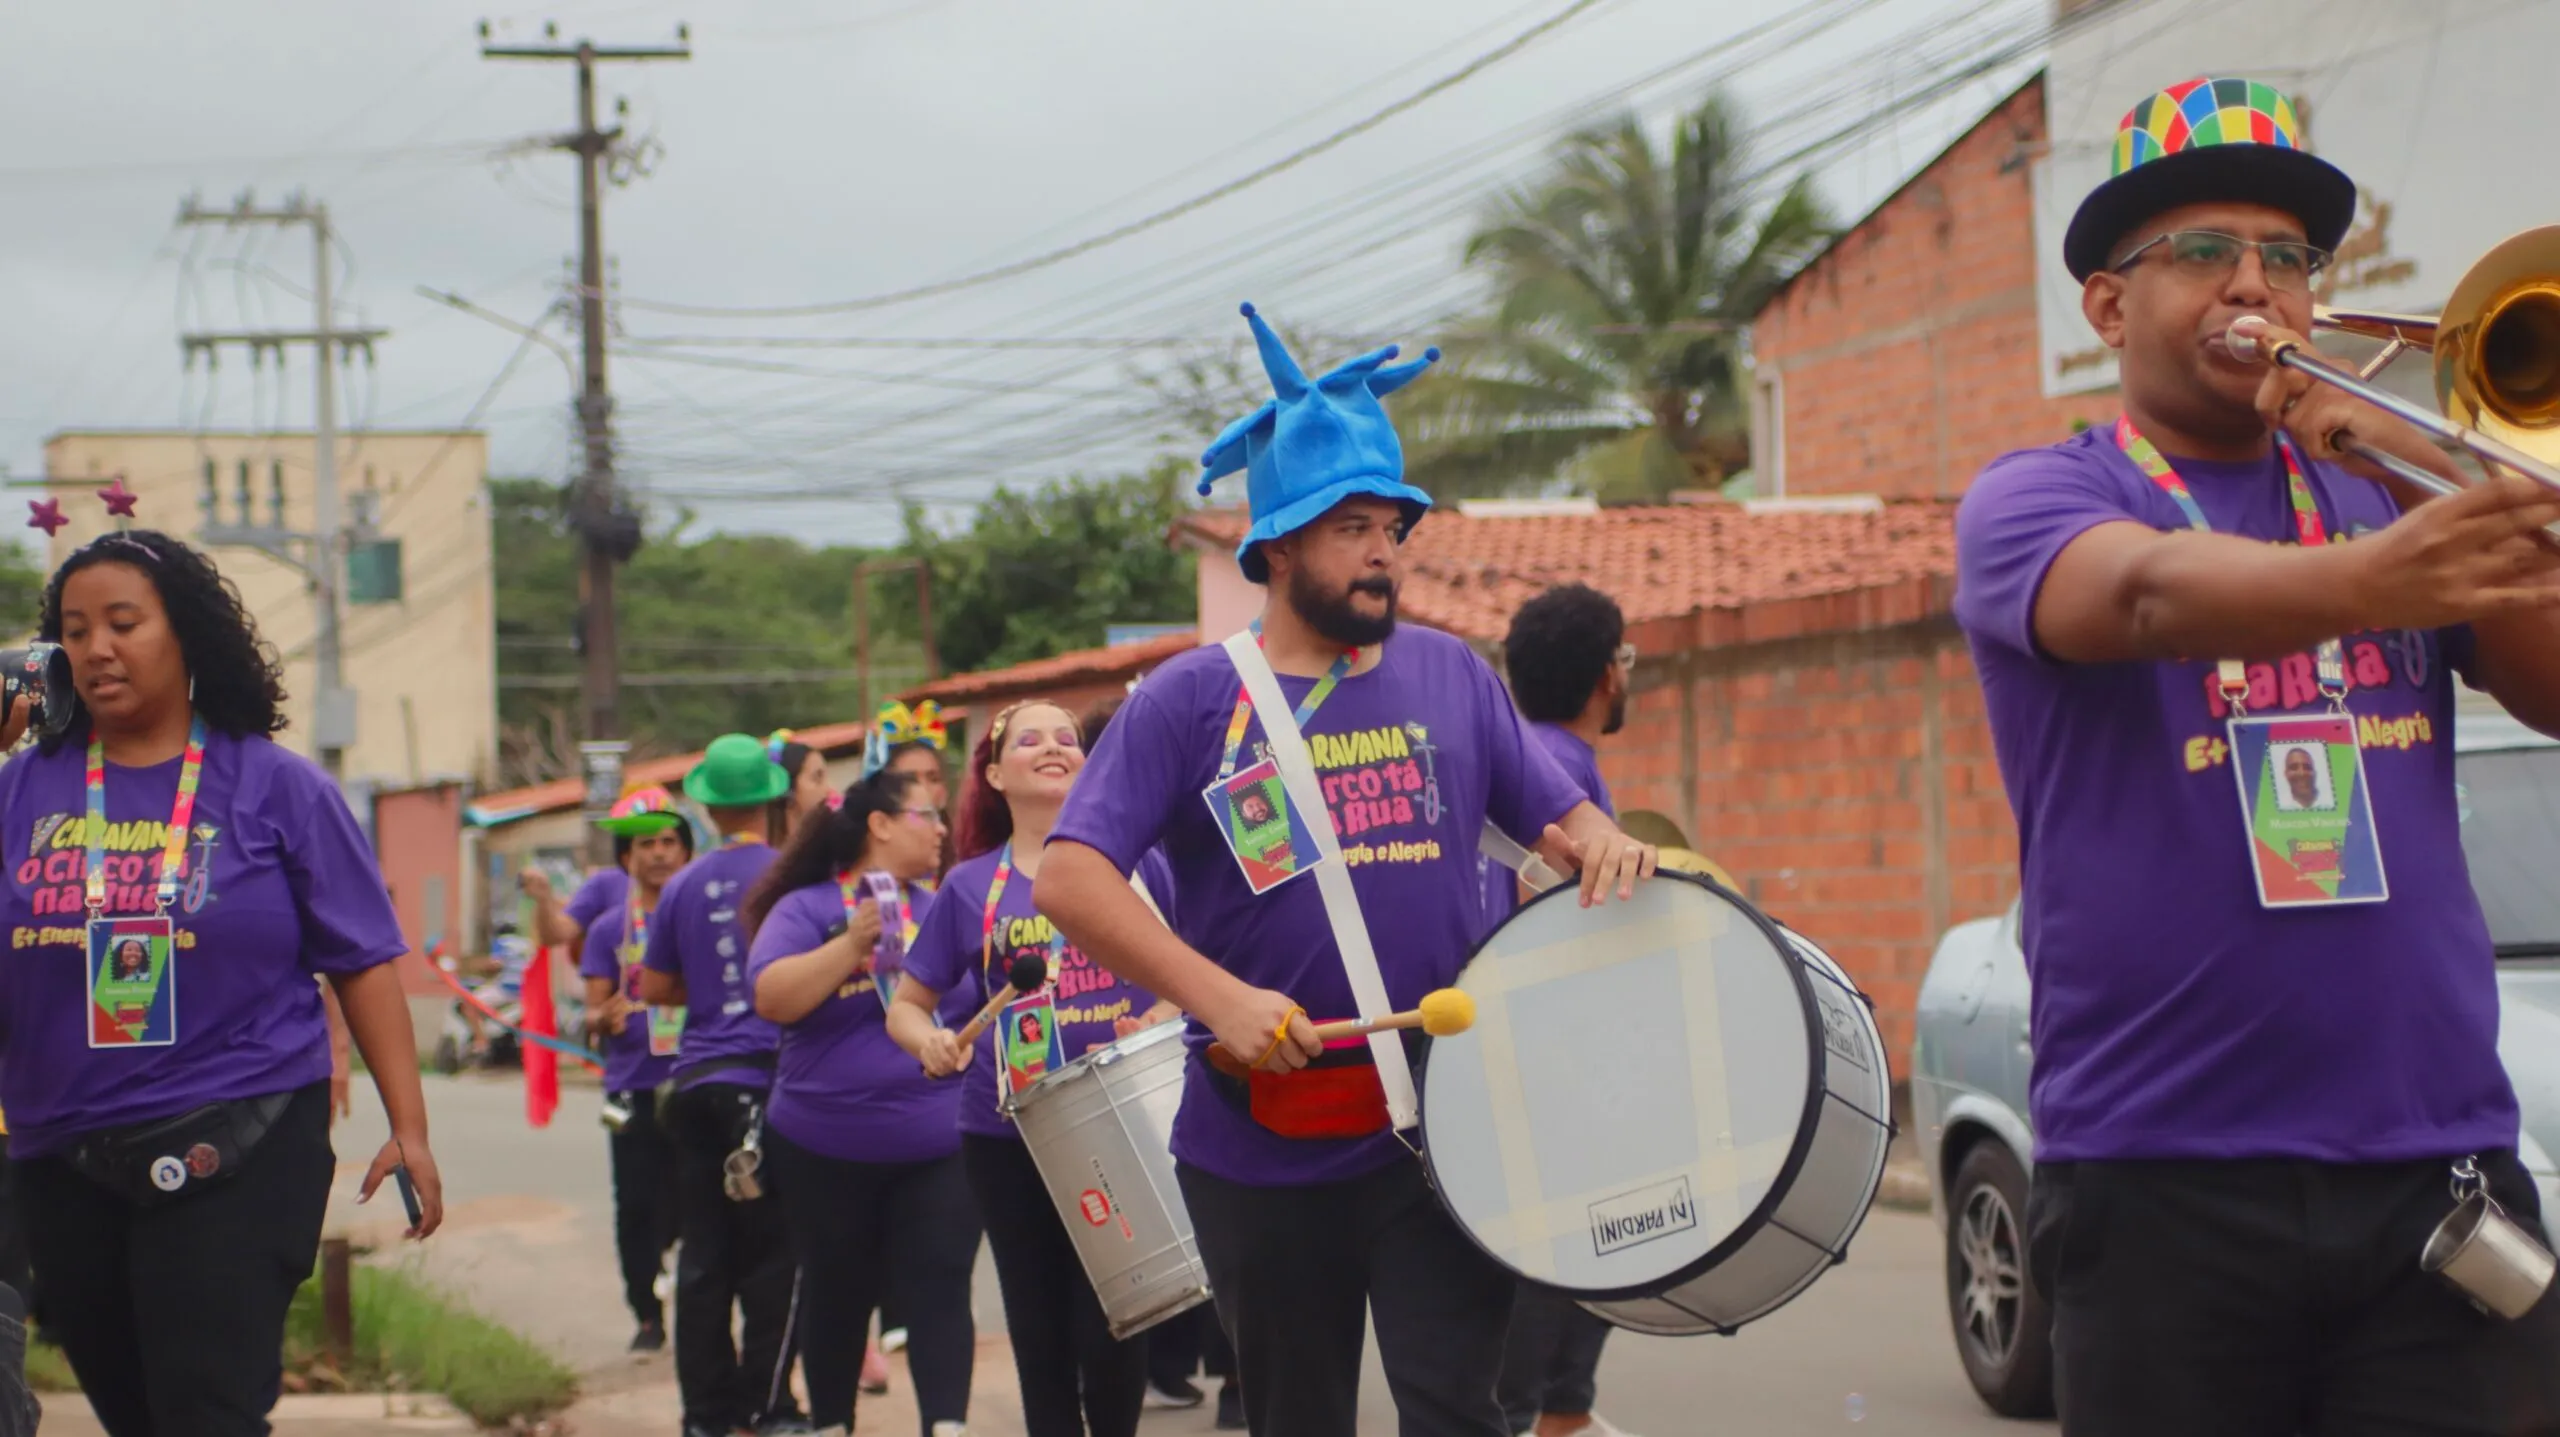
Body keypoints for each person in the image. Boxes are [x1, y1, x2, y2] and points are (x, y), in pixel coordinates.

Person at [1957, 76, 2560, 1436]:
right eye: (2205, 252)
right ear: (2110, 304)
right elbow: (2147, 597)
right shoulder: (2039, 495)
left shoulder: (2384, 494)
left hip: (2435, 1174)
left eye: (2288, 258)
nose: (2258, 286)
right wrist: (2374, 578)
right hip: (2163, 1182)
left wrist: (2424, 461)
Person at [1037, 305, 1655, 1437]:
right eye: (1348, 527)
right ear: (1273, 548)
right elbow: (1069, 879)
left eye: (1392, 526)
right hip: (1255, 1144)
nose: (1381, 550)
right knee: (1293, 1420)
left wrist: (1603, 846)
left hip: (1437, 1135)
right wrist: (1214, 997)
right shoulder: (1187, 700)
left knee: (1463, 1416)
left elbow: (1559, 822)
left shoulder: (1453, 677)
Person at [0, 524, 442, 1434]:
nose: (98, 649)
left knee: (207, 1409)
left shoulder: (277, 786)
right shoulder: (20, 789)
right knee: (132, 1412)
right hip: (60, 1148)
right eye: (76, 631)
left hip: (239, 1131)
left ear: (187, 634)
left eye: (125, 622)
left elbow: (360, 959)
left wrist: (410, 1127)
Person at [890, 701, 1177, 1437]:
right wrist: (929, 1041)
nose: (1053, 747)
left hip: (1123, 1123)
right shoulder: (967, 885)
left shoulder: (1140, 864)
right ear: (994, 773)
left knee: (1118, 1317)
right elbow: (907, 1004)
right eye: (1030, 739)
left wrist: (1165, 1013)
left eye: (1067, 738)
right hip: (1003, 1131)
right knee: (1037, 1321)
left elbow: (1201, 967)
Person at [747, 768, 980, 1437]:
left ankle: (946, 1424)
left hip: (938, 1140)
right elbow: (773, 998)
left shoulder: (945, 903)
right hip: (823, 1143)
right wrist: (851, 944)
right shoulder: (808, 907)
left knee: (940, 1282)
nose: (941, 829)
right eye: (925, 815)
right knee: (836, 1288)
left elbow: (978, 1003)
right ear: (879, 824)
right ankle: (831, 1422)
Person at [1484, 583, 1638, 1437]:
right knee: (1559, 1255)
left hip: (1535, 1057)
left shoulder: (1539, 756)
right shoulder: (1560, 769)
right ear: (1608, 676)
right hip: (1552, 1065)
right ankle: (1545, 1415)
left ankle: (1563, 1411)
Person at [640, 735, 804, 1437]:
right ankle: (768, 1407)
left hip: (697, 1085)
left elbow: (655, 989)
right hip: (769, 1083)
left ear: (705, 806)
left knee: (704, 1257)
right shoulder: (793, 877)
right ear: (772, 799)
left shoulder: (680, 886)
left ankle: (705, 1415)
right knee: (774, 1253)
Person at [577, 785, 694, 1354]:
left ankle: (691, 1289)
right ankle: (647, 1315)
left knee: (692, 1197)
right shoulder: (607, 931)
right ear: (627, 858)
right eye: (646, 844)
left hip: (696, 1080)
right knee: (636, 1205)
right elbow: (590, 1016)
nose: (658, 853)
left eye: (669, 842)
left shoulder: (702, 920)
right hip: (631, 1087)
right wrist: (606, 1016)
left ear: (686, 852)